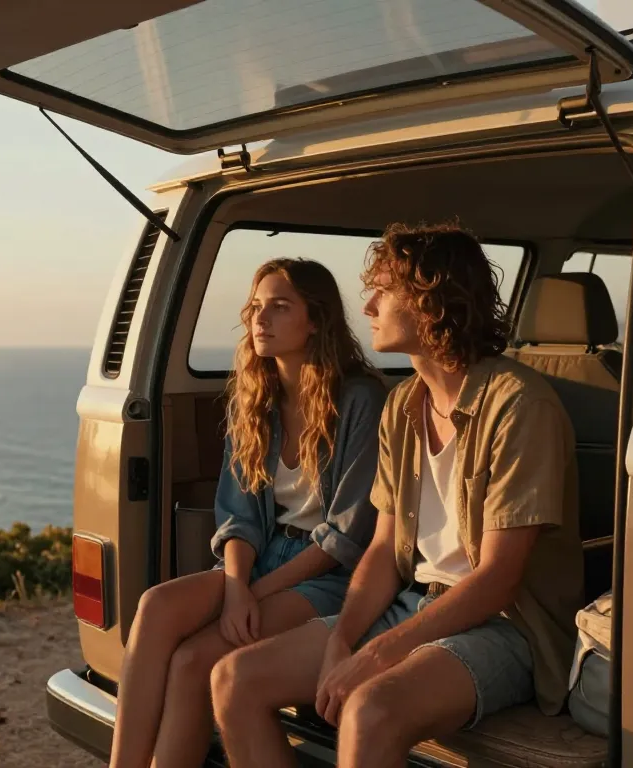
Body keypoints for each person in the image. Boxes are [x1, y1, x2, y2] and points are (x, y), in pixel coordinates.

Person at [211, 223, 584, 768]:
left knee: (369, 709)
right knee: (234, 679)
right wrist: (343, 638)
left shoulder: (519, 404)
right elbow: (384, 550)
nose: (367, 306)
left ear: (431, 300)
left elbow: (499, 577)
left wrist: (378, 652)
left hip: (504, 626)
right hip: (413, 604)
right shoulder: (403, 405)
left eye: (383, 290)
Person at [108, 258, 387, 768]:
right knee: (155, 608)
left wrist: (253, 594)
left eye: (280, 307)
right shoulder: (254, 398)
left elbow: (347, 535)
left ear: (317, 319)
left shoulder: (360, 400)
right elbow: (238, 515)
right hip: (260, 555)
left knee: (195, 660)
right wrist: (236, 587)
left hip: (327, 573)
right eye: (256, 307)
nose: (261, 319)